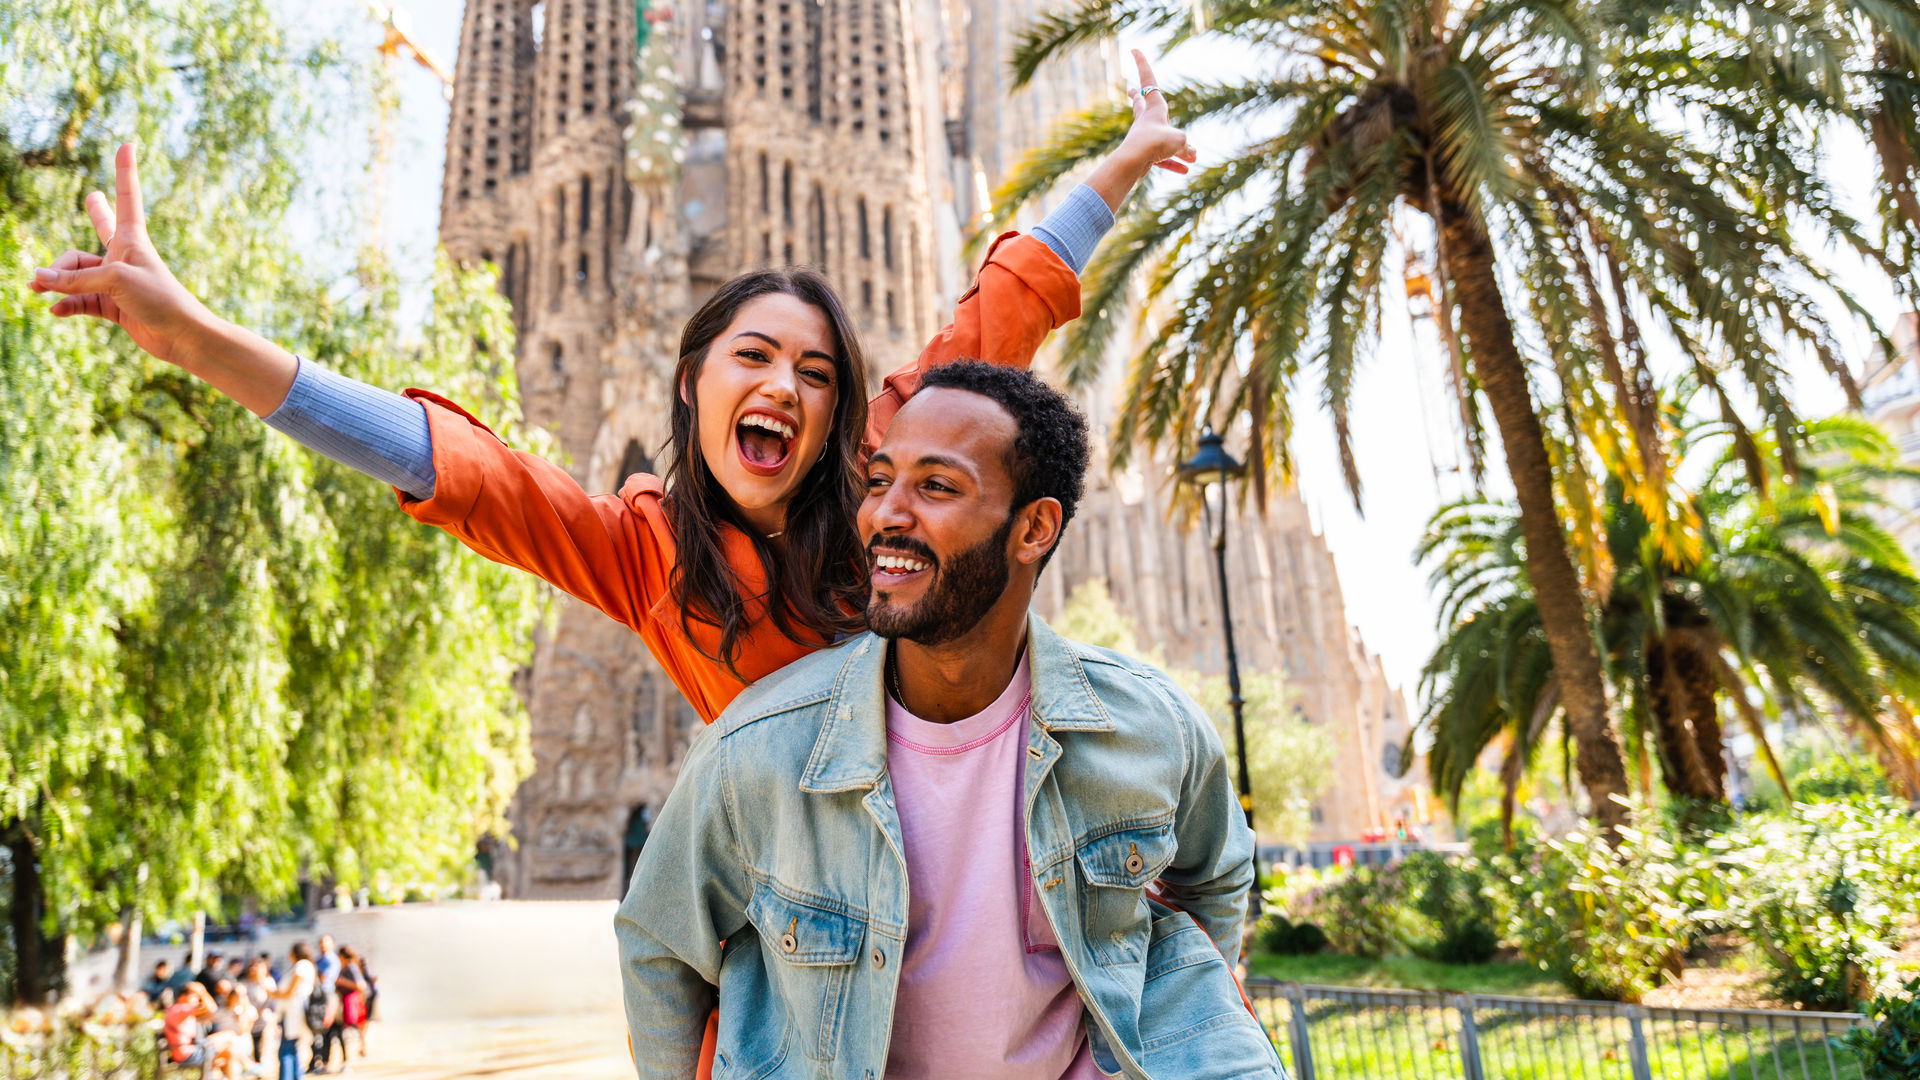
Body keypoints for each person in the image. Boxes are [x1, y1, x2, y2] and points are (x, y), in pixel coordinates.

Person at [24, 51, 1190, 731]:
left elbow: (1009, 308)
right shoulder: (651, 558)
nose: (784, 385)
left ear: (843, 409)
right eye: (753, 356)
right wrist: (202, 341)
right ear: (691, 388)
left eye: (815, 369)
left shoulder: (894, 460)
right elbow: (460, 473)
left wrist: (1124, 162)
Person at [615, 363, 1283, 1078]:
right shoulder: (762, 747)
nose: (884, 515)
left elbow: (1213, 881)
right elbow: (658, 945)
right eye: (878, 482)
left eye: (935, 486)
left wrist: (1177, 1031)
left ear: (1034, 528)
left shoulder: (1151, 728)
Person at [267, 942, 317, 1080]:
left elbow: (290, 992)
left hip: (294, 1012)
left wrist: (272, 993)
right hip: (294, 1011)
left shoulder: (302, 966)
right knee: (293, 1048)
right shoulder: (306, 966)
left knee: (286, 1050)